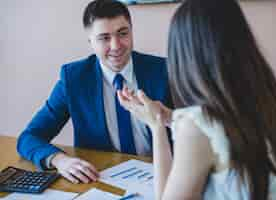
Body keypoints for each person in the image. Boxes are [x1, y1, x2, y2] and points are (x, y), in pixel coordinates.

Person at [118, 0, 276, 199]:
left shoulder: (195, 125)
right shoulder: (272, 100)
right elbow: (224, 132)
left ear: (184, 56)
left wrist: (156, 126)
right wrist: (170, 118)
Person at [17, 0, 170, 184]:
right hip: (100, 180)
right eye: (104, 38)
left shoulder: (164, 70)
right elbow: (29, 137)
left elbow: (198, 125)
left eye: (123, 33)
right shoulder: (74, 78)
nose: (116, 45)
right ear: (90, 41)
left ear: (131, 31)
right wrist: (60, 160)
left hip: (161, 177)